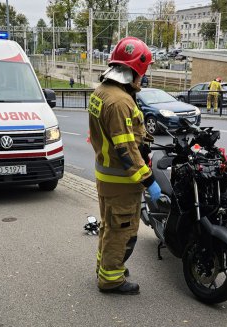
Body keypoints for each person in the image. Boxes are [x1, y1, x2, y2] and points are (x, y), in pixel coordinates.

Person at [88, 37, 161, 295]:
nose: (143, 77)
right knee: (122, 230)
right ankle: (111, 279)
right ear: (134, 70)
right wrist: (148, 180)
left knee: (109, 225)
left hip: (107, 176)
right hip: (121, 180)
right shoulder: (120, 102)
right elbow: (126, 149)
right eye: (143, 72)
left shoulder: (103, 92)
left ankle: (107, 265)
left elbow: (126, 134)